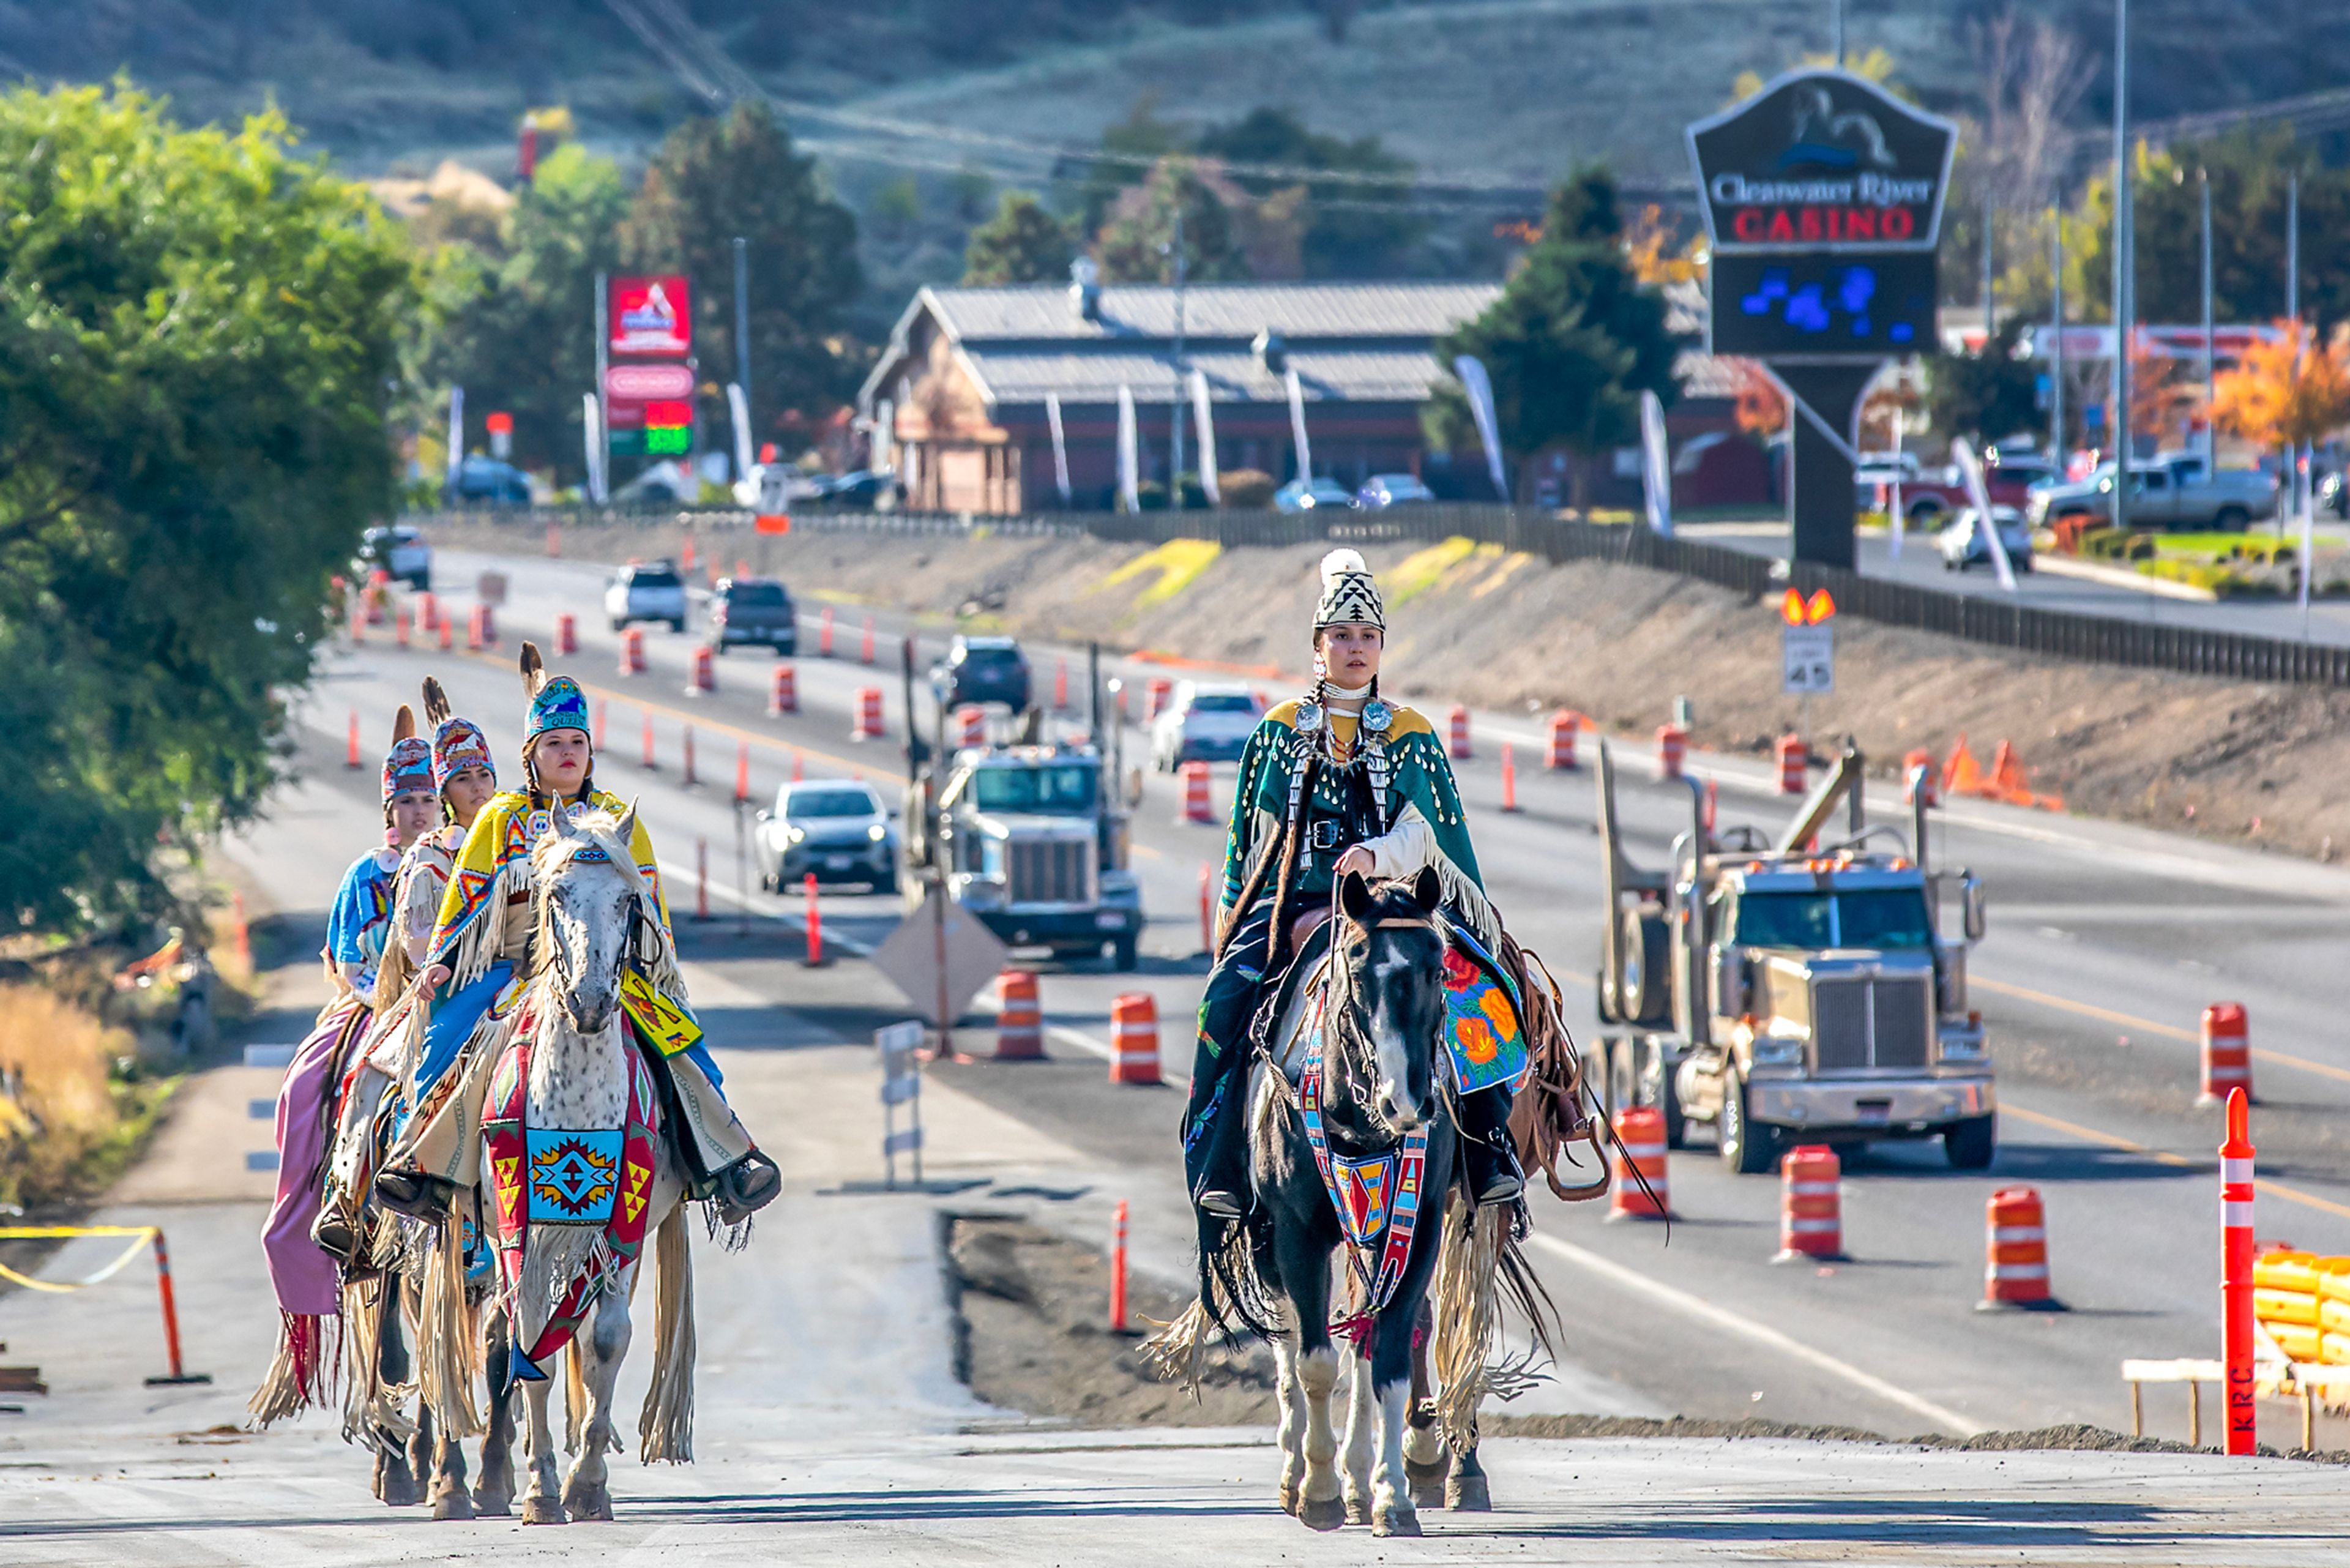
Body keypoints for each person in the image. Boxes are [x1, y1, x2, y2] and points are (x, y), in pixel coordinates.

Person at [375, 645, 781, 1225]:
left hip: (610, 970)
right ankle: (420, 1162)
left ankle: (726, 1163)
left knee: (687, 1048)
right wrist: (441, 960)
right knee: (447, 1036)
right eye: (553, 744)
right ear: (531, 755)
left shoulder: (616, 819)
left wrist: (655, 972)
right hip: (511, 969)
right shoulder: (501, 818)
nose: (567, 754)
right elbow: (465, 899)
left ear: (590, 753)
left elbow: (651, 911)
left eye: (577, 744)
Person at [1182, 548, 1524, 1223]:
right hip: (1298, 904)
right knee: (1224, 1004)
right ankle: (1220, 1164)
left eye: (1368, 637)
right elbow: (1251, 838)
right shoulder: (1278, 732)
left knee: (1483, 995)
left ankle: (1490, 1151)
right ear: (1318, 647)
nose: (1356, 648)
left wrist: (1376, 852)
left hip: (1395, 904)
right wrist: (1246, 909)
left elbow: (1428, 834)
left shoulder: (1411, 734)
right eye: (1342, 636)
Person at [253, 709, 438, 1422]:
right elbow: (348, 955)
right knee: (308, 1083)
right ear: (390, 809)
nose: (420, 810)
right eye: (409, 801)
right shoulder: (369, 872)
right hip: (373, 1005)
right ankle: (321, 1205)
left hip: (452, 1002)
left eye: (430, 798)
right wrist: (386, 997)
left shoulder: (464, 859)